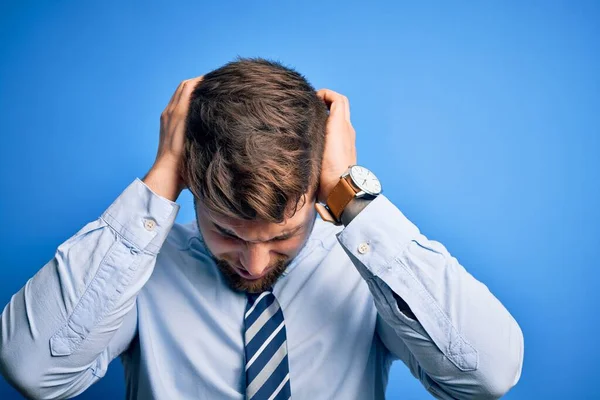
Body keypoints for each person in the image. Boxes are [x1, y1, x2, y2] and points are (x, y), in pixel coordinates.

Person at [0, 58, 523, 400]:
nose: (253, 264)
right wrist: (160, 179)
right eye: (226, 232)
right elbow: (33, 370)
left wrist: (351, 196)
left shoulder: (373, 271)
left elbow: (487, 376)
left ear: (317, 193)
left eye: (280, 237)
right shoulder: (136, 273)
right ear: (192, 187)